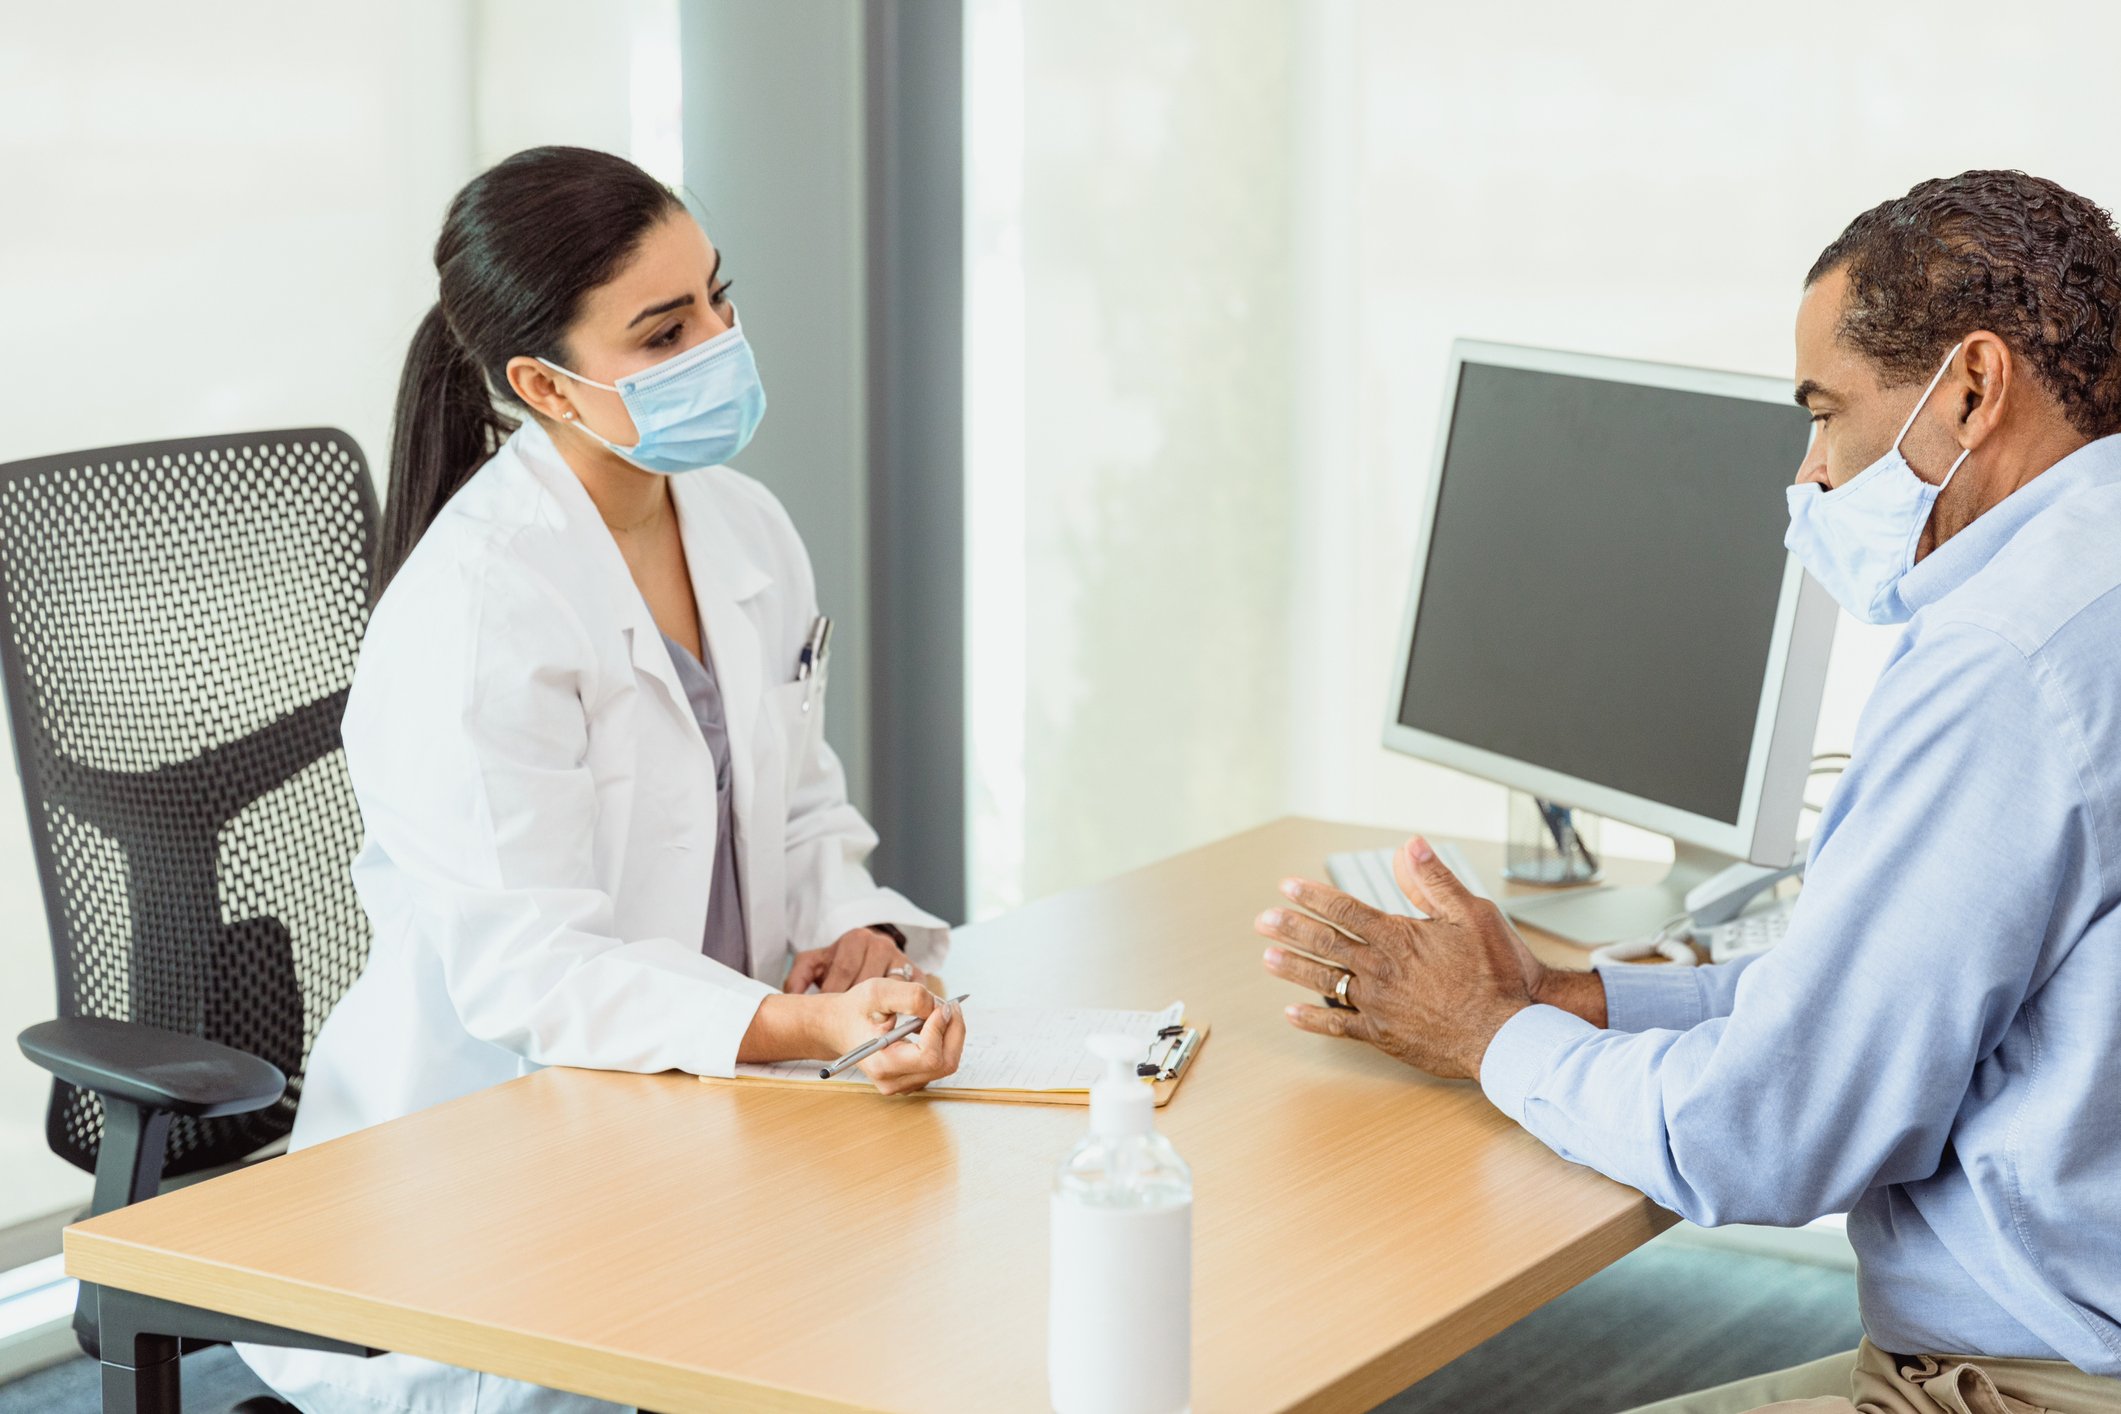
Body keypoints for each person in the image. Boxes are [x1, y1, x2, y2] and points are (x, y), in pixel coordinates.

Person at [1258, 170, 2121, 1413]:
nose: (1814, 474)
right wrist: (1570, 994)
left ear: (1973, 389)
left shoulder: (2001, 660)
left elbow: (1769, 1134)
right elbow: (1877, 1002)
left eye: (1828, 413)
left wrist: (1485, 1033)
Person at [240, 145, 965, 1414]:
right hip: (495, 1178)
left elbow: (797, 804)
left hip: (719, 1128)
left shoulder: (744, 527)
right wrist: (796, 1028)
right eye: (664, 329)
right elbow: (538, 973)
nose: (721, 343)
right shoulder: (476, 615)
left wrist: (855, 933)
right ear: (542, 384)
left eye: (719, 299)